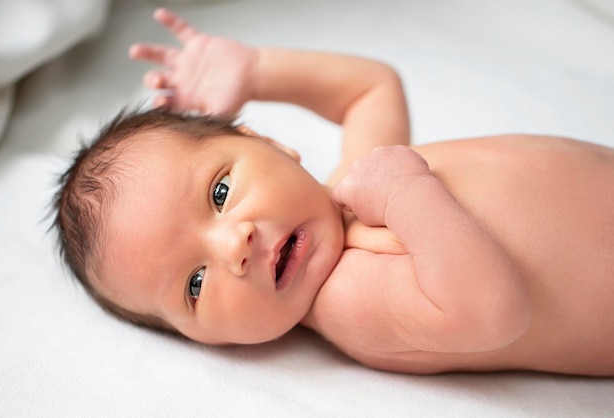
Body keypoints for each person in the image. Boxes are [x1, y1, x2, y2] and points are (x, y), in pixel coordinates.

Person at [53, 8, 614, 376]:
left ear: (267, 142)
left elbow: (370, 90)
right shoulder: (349, 299)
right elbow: (493, 311)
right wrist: (405, 192)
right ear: (207, 342)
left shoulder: (350, 189)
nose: (235, 245)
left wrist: (260, 70)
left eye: (220, 192)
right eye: (195, 284)